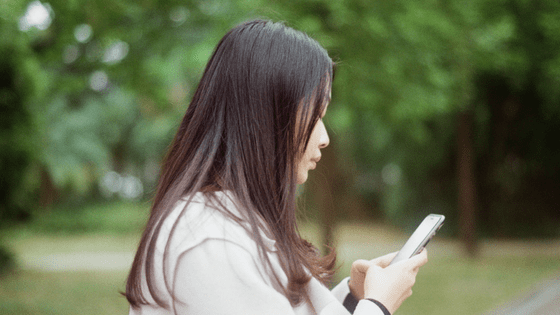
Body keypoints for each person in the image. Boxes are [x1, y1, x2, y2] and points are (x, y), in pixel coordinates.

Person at [124, 19, 428, 315]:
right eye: (316, 113)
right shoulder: (211, 239)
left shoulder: (231, 222)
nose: (324, 139)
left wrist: (354, 297)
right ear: (269, 117)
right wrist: (378, 307)